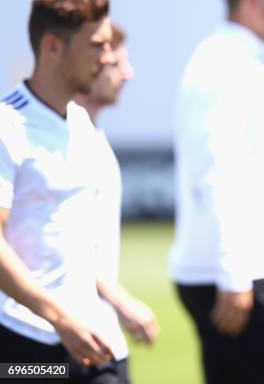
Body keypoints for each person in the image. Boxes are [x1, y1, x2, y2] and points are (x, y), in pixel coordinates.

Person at [168, 0, 264, 383]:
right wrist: (233, 273)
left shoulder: (230, 59)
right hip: (234, 276)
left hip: (228, 270)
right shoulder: (227, 65)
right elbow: (217, 173)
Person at [0, 0, 128, 383]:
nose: (108, 59)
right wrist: (57, 317)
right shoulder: (8, 126)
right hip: (25, 348)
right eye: (97, 45)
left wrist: (115, 301)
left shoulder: (82, 126)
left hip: (89, 338)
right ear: (53, 46)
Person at [74, 23, 159, 356]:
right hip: (66, 342)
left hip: (98, 335)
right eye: (117, 64)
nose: (129, 74)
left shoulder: (94, 137)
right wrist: (121, 301)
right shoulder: (68, 140)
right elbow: (61, 242)